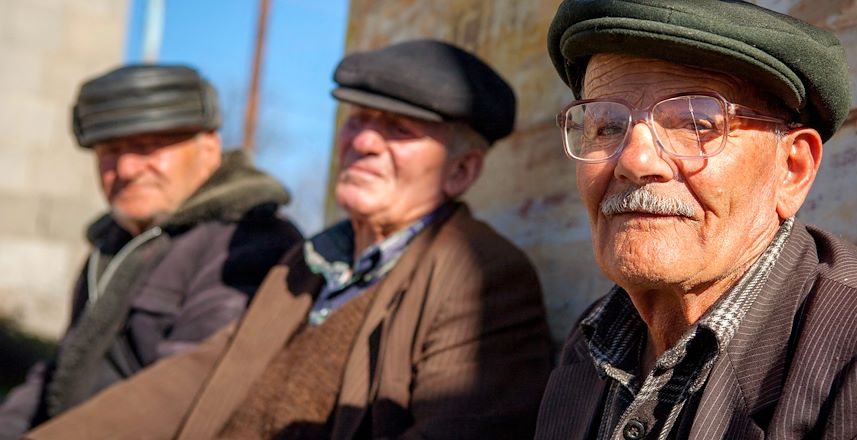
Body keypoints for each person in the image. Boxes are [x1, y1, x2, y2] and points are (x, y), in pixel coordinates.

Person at [26, 40, 553, 440]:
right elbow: (199, 375)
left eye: (399, 128)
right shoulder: (307, 261)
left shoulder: (482, 275)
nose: (363, 141)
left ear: (461, 170)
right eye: (359, 118)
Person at [535, 1, 857, 439]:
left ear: (791, 170)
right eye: (605, 126)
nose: (636, 159)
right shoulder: (595, 337)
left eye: (697, 124)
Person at [0, 64, 302, 439]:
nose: (126, 168)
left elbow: (186, 388)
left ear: (208, 148)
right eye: (110, 150)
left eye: (147, 148)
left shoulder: (247, 240)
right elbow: (61, 371)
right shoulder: (113, 246)